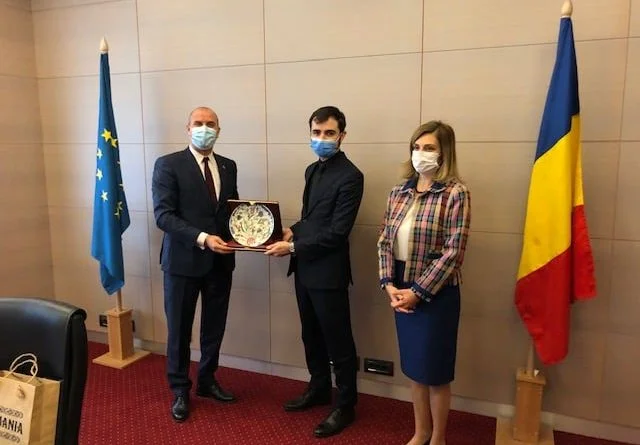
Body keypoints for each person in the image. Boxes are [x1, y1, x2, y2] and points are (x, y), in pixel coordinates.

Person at [265, 106, 364, 438]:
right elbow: (313, 217)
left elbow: (337, 232)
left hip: (329, 272)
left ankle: (346, 405)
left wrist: (291, 247)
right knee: (310, 334)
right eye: (316, 132)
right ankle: (319, 388)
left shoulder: (351, 176)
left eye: (329, 133)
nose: (322, 138)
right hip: (305, 269)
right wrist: (291, 230)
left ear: (342, 136)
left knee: (338, 341)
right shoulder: (312, 169)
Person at [377, 121, 471, 445]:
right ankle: (421, 432)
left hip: (437, 293)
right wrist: (389, 284)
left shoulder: (456, 193)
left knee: (436, 373)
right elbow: (384, 241)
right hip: (400, 287)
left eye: (429, 148)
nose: (421, 154)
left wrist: (417, 292)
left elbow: (453, 252)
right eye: (416, 147)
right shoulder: (398, 192)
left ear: (444, 153)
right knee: (415, 368)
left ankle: (438, 438)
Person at [152, 106, 239, 422]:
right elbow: (164, 216)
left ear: (219, 130)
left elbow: (232, 211)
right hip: (182, 263)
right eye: (198, 123)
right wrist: (203, 238)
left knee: (214, 326)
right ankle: (179, 389)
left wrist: (250, 235)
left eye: (210, 124)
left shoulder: (228, 166)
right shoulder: (168, 165)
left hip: (220, 262)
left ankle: (207, 379)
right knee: (179, 329)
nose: (205, 129)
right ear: (187, 129)